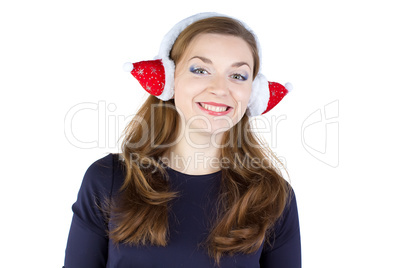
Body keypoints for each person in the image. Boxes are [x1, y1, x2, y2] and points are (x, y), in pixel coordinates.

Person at [64, 12, 301, 267]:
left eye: (238, 76)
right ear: (169, 79)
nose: (220, 88)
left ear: (253, 92)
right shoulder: (108, 178)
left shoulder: (273, 195)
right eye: (200, 70)